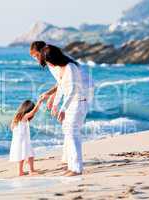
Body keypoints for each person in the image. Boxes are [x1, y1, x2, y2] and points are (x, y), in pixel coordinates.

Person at [30, 42, 93, 176]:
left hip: (79, 101)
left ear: (53, 59)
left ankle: (76, 169)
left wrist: (62, 108)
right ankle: (71, 166)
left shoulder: (70, 67)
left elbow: (72, 90)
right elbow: (61, 86)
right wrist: (55, 103)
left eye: (48, 61)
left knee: (72, 132)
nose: (49, 65)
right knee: (68, 131)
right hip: (73, 102)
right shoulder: (62, 67)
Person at [9, 98, 44, 176]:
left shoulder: (16, 117)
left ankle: (20, 171)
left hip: (17, 141)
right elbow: (33, 112)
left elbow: (12, 128)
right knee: (30, 155)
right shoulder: (24, 117)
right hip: (23, 141)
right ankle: (31, 171)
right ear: (27, 110)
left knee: (20, 156)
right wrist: (39, 103)